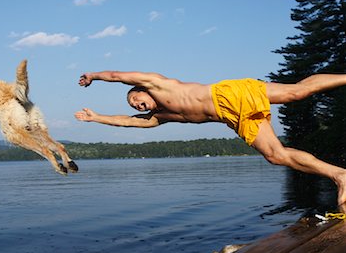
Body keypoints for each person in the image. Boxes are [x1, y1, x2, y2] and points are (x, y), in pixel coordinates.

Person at [74, 71, 346, 205]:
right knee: (276, 156)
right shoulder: (163, 115)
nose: (135, 104)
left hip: (228, 95)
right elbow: (129, 123)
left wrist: (94, 76)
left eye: (136, 98)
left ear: (144, 89)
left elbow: (118, 76)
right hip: (234, 117)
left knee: (295, 94)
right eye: (132, 105)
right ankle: (339, 175)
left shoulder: (159, 83)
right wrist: (96, 117)